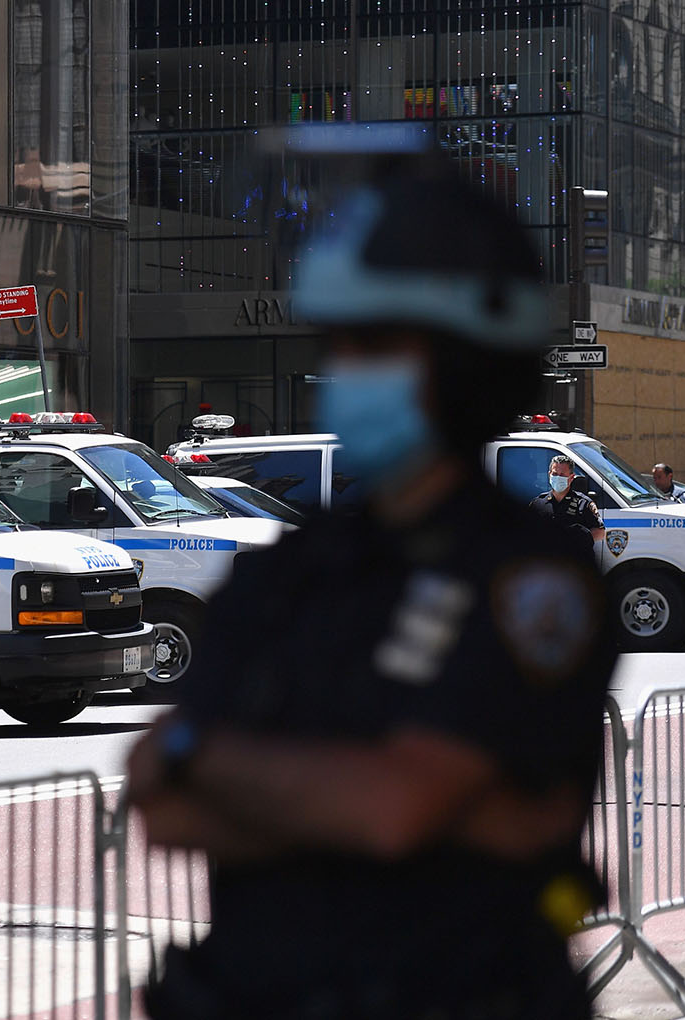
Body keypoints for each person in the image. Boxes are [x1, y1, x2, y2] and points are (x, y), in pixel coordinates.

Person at [125, 165, 616, 1019]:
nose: (348, 370)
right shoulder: (296, 565)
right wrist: (402, 816)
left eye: (380, 347)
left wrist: (209, 759)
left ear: (468, 363)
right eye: (343, 345)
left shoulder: (530, 578)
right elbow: (162, 803)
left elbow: (393, 806)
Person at [528, 455, 608, 550]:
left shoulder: (583, 503)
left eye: (562, 475)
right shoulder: (538, 504)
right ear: (549, 474)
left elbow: (600, 532)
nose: (558, 477)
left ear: (571, 477)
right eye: (555, 474)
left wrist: (576, 540)